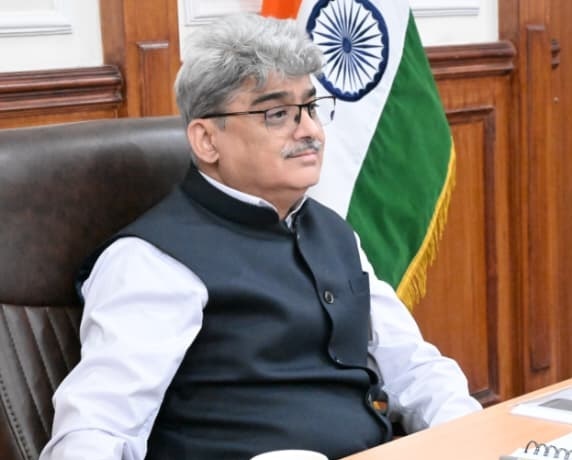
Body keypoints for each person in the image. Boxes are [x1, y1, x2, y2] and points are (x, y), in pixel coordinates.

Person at [39, 12, 481, 460]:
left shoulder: (334, 231)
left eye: (311, 107)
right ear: (207, 140)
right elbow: (94, 431)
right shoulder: (149, 261)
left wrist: (477, 438)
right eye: (277, 114)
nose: (310, 131)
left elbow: (413, 368)